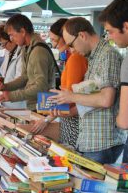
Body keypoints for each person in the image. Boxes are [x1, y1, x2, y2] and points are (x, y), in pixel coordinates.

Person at [49, 17, 126, 164]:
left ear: (82, 35)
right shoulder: (94, 57)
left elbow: (106, 99)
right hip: (92, 140)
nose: (72, 50)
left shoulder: (107, 55)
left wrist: (71, 96)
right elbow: (95, 97)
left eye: (72, 45)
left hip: (102, 141)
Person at [32, 19, 88, 148]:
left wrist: (47, 119)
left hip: (73, 120)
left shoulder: (75, 59)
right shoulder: (74, 58)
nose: (54, 44)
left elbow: (68, 98)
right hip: (72, 118)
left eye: (54, 40)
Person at [99, 0, 128, 165]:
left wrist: (116, 119)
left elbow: (125, 121)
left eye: (110, 31)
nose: (109, 37)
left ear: (127, 26)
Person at [0, 14, 55, 111]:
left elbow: (41, 86)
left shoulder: (38, 51)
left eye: (12, 35)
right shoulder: (26, 48)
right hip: (35, 104)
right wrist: (6, 86)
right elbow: (25, 77)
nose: (11, 39)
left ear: (22, 31)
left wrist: (12, 96)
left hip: (42, 106)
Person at [0, 24, 26, 109]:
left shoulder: (22, 54)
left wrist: (3, 88)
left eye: (4, 44)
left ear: (12, 39)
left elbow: (19, 80)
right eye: (1, 44)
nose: (4, 47)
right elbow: (6, 76)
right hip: (8, 101)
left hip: (18, 103)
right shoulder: (9, 52)